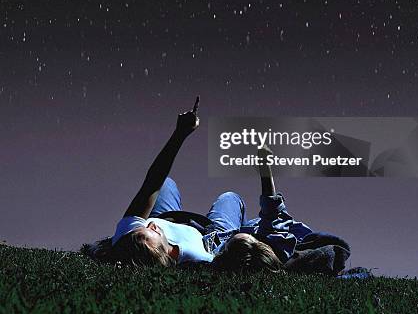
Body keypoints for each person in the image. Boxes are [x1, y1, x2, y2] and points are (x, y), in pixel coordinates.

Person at [82, 97, 244, 267]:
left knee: (164, 183)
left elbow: (153, 182)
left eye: (143, 228)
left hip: (170, 218)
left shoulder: (128, 238)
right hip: (209, 234)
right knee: (230, 198)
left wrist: (179, 134)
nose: (151, 224)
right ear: (168, 253)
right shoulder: (200, 258)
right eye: (154, 231)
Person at [213, 147, 352, 275]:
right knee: (232, 200)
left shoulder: (212, 254)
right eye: (250, 237)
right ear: (258, 243)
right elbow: (272, 208)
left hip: (220, 235)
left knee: (230, 197)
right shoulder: (277, 245)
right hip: (258, 237)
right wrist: (265, 168)